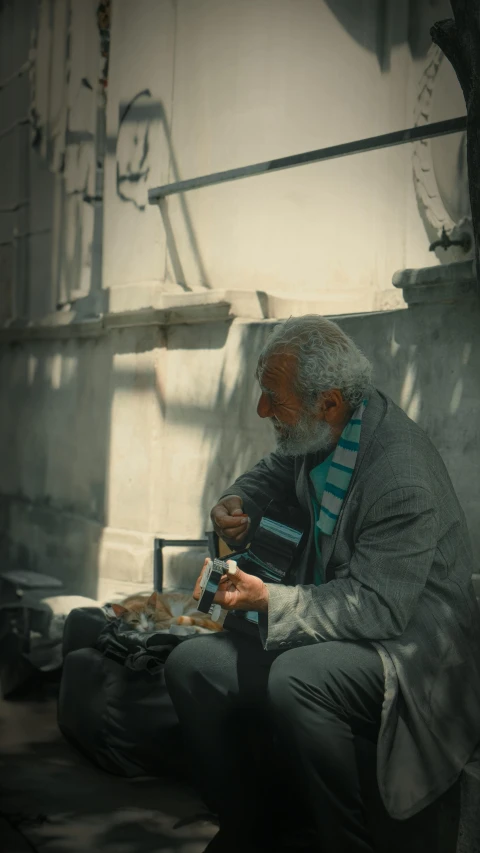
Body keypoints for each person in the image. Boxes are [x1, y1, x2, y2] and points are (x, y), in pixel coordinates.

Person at [165, 315, 480, 853]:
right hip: (349, 619)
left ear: (328, 402)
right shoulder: (331, 426)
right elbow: (272, 469)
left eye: (273, 398)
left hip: (411, 647)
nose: (263, 410)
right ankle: (250, 824)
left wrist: (271, 600)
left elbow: (378, 607)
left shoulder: (400, 473)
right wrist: (240, 501)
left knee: (298, 676)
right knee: (192, 666)